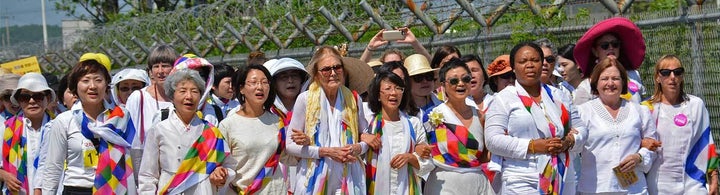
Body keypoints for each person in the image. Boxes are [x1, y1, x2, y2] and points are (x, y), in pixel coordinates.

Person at [485, 42, 580, 194]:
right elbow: (492, 140)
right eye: (523, 62)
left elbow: (580, 128)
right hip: (522, 177)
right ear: (514, 68)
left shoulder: (559, 95)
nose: (529, 65)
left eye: (535, 60)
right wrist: (533, 146)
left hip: (561, 173)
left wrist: (568, 142)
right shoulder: (503, 98)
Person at [38, 59, 137, 195]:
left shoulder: (121, 117)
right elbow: (53, 167)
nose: (92, 86)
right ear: (75, 87)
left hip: (115, 188)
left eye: (98, 80)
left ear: (107, 85)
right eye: (85, 81)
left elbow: (136, 157)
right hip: (77, 190)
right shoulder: (65, 121)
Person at [285, 46, 369, 195]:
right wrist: (325, 152)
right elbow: (290, 146)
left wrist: (358, 148)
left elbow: (365, 137)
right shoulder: (305, 100)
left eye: (337, 67)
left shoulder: (354, 99)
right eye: (326, 69)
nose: (332, 73)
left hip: (349, 177)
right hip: (312, 178)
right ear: (316, 75)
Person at [138, 68, 233, 194]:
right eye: (182, 91)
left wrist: (221, 175)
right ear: (172, 96)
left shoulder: (211, 132)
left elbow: (229, 166)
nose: (189, 97)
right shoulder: (159, 130)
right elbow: (147, 175)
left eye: (194, 91)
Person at [574, 56, 657, 194]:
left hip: (634, 189)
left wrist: (639, 157)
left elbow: (654, 146)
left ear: (623, 82)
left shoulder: (640, 111)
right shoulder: (582, 112)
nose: (610, 83)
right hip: (595, 188)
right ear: (595, 82)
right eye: (605, 79)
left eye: (616, 78)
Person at [646, 55, 719, 194]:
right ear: (657, 77)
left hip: (693, 182)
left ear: (682, 76)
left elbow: (707, 143)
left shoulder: (696, 104)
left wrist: (714, 177)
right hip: (658, 184)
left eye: (677, 72)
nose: (672, 77)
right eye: (666, 73)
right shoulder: (646, 108)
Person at [219, 64, 295, 194]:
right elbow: (220, 165)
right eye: (253, 82)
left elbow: (287, 158)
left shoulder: (277, 121)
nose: (260, 87)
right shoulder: (228, 125)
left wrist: (302, 143)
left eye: (265, 82)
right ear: (241, 88)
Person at [424, 58, 494, 194]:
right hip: (445, 184)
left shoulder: (480, 116)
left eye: (466, 79)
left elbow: (486, 155)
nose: (461, 84)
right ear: (443, 85)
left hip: (477, 183)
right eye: (454, 81)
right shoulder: (432, 115)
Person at [363, 72, 432, 194]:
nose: (394, 93)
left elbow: (427, 163)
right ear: (378, 95)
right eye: (388, 88)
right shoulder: (369, 124)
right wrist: (362, 136)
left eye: (398, 88)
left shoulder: (414, 124)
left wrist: (410, 157)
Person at [0, 73, 56, 194]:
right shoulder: (5, 129)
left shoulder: (60, 127)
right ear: (19, 101)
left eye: (38, 96)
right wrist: (5, 176)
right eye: (25, 97)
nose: (31, 101)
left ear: (48, 98)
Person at [125, 45, 178, 171]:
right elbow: (129, 139)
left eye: (165, 65)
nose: (160, 71)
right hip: (146, 168)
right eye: (155, 66)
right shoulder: (139, 98)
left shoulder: (182, 98)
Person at [574, 17, 647, 105]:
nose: (611, 48)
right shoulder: (586, 86)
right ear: (595, 51)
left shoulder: (633, 75)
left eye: (615, 44)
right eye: (605, 45)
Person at [360, 27, 432, 63]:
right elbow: (358, 71)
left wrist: (415, 43)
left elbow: (432, 65)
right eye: (388, 64)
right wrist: (370, 47)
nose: (393, 67)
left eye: (397, 63)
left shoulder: (410, 81)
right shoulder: (378, 83)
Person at [403, 54, 440, 123]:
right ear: (408, 82)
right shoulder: (401, 112)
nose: (425, 81)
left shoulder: (444, 106)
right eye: (418, 78)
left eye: (429, 76)